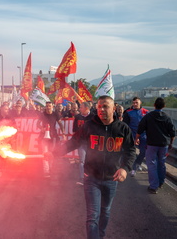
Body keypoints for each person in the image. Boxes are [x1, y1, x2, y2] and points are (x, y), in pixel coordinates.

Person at [51, 96, 136, 238]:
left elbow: (131, 151)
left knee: (106, 211)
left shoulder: (123, 129)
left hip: (111, 178)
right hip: (91, 178)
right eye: (99, 107)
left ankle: (100, 235)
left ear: (114, 108)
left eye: (106, 106)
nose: (102, 109)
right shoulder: (89, 126)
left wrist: (125, 169)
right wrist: (54, 153)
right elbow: (73, 142)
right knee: (92, 215)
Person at [135, 97, 175, 194]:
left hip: (152, 144)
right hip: (164, 145)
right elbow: (172, 133)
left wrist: (136, 138)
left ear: (154, 105)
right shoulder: (167, 117)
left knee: (152, 164)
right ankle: (161, 182)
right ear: (164, 106)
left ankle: (153, 186)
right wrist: (171, 143)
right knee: (161, 163)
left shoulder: (149, 116)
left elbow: (140, 128)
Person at [39, 102, 66, 178]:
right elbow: (38, 123)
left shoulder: (55, 114)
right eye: (47, 106)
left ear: (52, 107)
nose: (48, 107)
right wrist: (42, 128)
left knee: (51, 153)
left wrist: (63, 133)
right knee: (45, 153)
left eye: (49, 106)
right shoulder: (42, 114)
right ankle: (46, 171)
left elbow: (60, 123)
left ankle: (50, 169)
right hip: (44, 137)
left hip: (53, 136)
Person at [123, 97, 149, 176]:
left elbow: (149, 125)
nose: (135, 104)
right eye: (133, 103)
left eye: (136, 103)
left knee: (143, 152)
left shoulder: (146, 112)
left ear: (140, 102)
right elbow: (125, 125)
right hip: (131, 135)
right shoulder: (128, 112)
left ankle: (136, 164)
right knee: (131, 152)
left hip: (143, 136)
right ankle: (131, 167)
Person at [72, 102, 95, 185]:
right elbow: (74, 129)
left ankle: (91, 178)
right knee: (82, 161)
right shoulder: (77, 117)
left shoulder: (93, 117)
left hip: (91, 143)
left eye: (81, 107)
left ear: (86, 108)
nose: (79, 109)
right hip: (81, 142)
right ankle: (82, 178)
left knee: (91, 160)